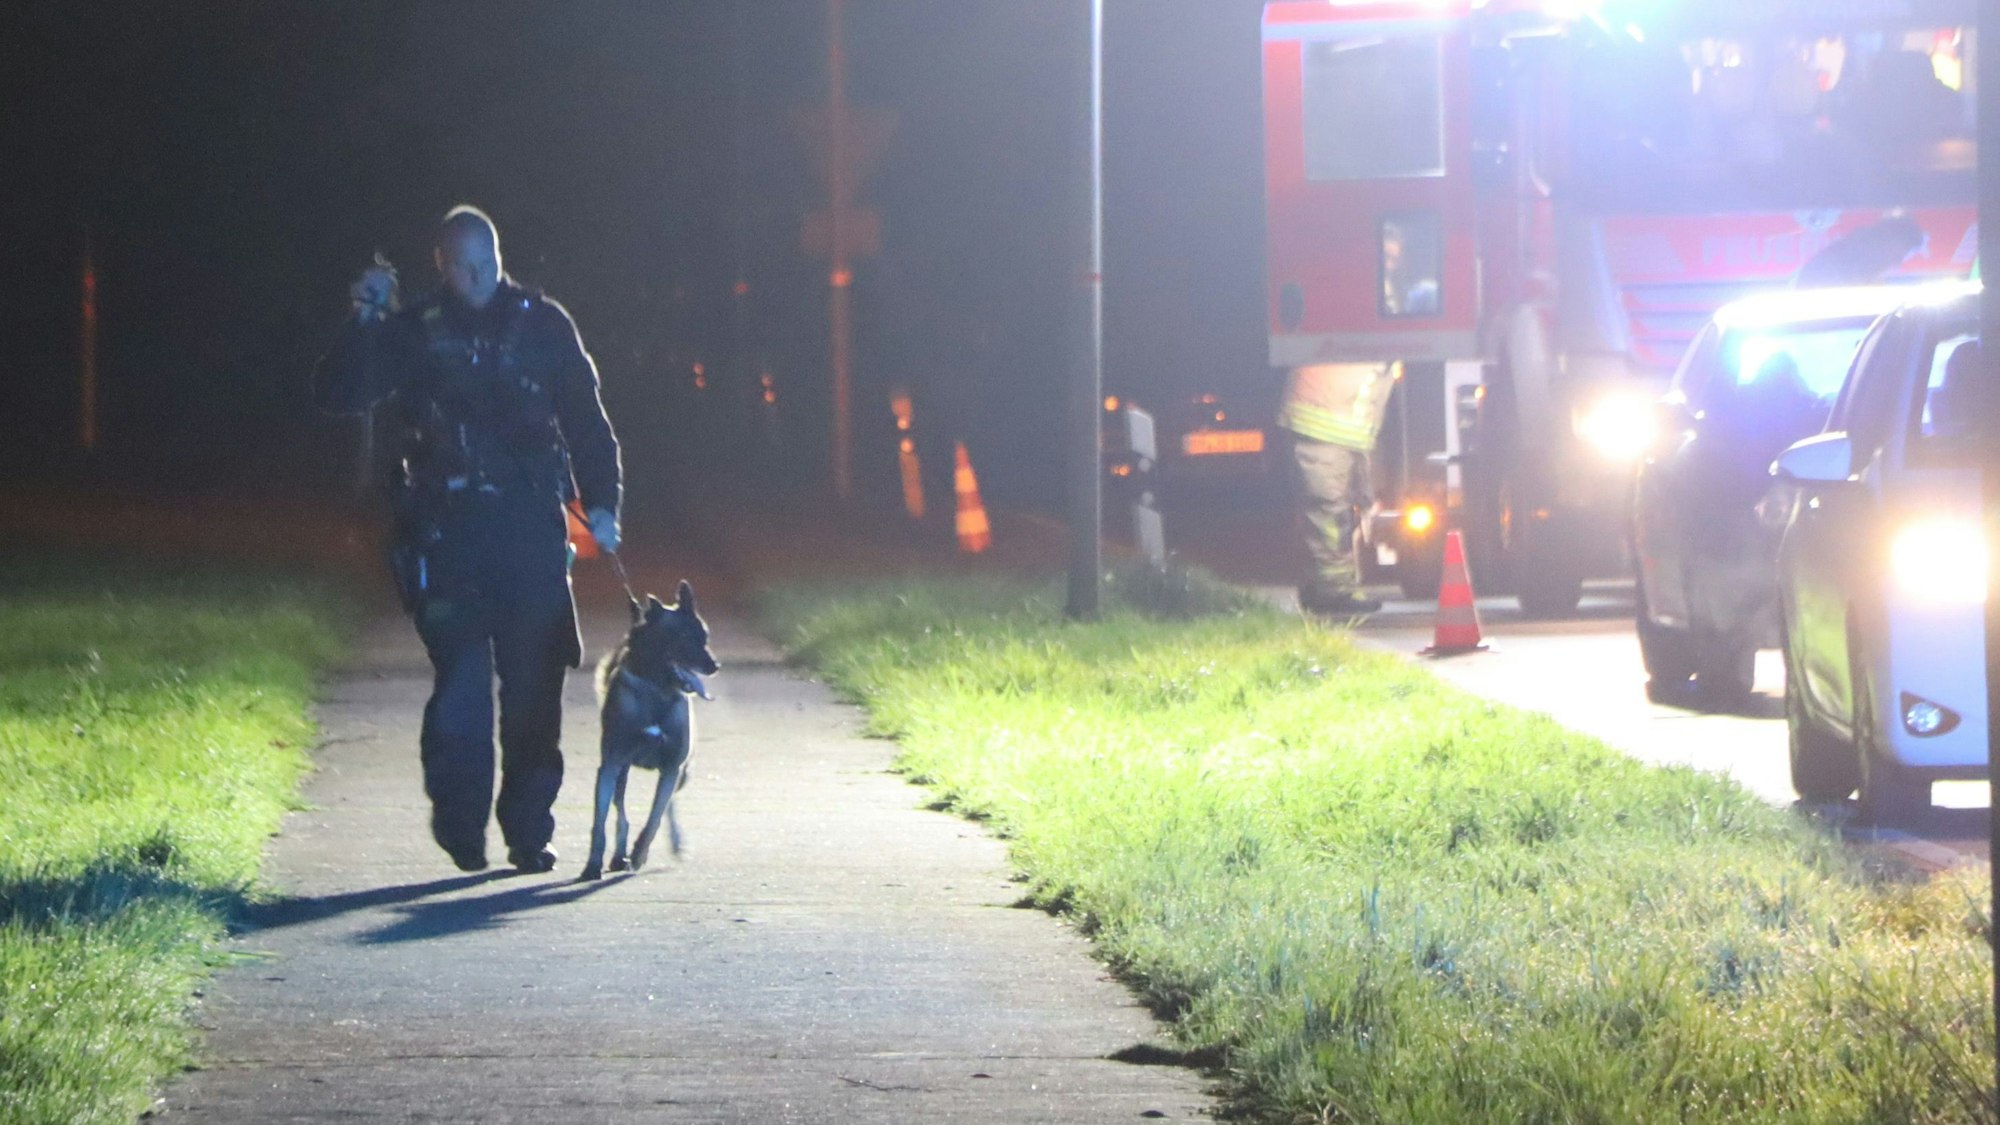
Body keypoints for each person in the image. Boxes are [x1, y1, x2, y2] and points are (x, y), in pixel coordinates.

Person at [314, 205, 623, 874]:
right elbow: (340, 392)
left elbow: (586, 419)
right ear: (442, 267)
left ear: (500, 258)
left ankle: (529, 832)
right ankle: (462, 827)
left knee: (534, 689)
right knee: (461, 686)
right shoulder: (415, 330)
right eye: (465, 267)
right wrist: (362, 321)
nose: (479, 278)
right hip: (446, 534)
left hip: (528, 532)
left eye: (489, 265)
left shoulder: (543, 324)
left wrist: (603, 504)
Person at [1278, 362, 1394, 615]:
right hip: (1324, 434)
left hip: (1332, 434)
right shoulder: (1365, 343)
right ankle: (1335, 592)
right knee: (1328, 517)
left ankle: (1321, 589)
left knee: (1327, 517)